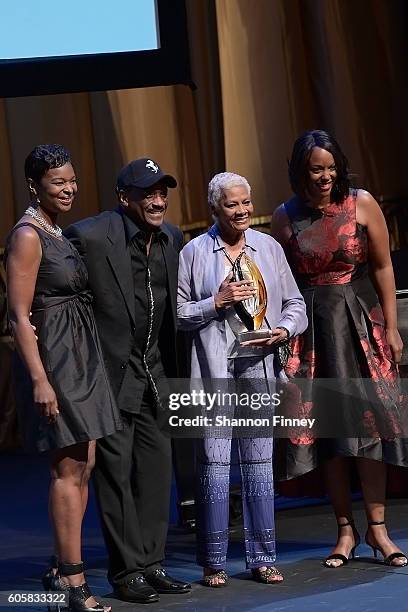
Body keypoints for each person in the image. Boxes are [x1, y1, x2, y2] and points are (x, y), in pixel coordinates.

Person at [271, 129, 408, 568]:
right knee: (329, 433)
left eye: (331, 167)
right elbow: (282, 282)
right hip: (313, 335)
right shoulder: (284, 216)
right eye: (316, 169)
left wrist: (391, 326)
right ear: (300, 171)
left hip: (359, 326)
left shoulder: (361, 203)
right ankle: (345, 531)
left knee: (368, 427)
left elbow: (384, 266)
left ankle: (379, 530)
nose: (325, 176)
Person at [64, 158, 191, 604]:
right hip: (111, 375)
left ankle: (152, 563)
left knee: (157, 472)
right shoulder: (91, 235)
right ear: (125, 198)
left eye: (162, 192)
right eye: (147, 193)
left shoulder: (172, 237)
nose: (158, 201)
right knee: (116, 477)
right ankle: (126, 571)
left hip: (155, 370)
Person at [6, 144, 122, 611]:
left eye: (72, 179)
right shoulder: (28, 235)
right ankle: (74, 585)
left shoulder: (58, 230)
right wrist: (40, 379)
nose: (70, 188)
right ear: (36, 185)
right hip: (55, 358)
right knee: (67, 468)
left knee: (85, 464)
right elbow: (17, 314)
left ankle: (62, 565)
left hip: (81, 353)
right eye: (59, 181)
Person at [177, 172, 307, 586]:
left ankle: (263, 557)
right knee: (214, 464)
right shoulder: (194, 251)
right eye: (232, 204)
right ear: (214, 208)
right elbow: (179, 314)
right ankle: (214, 562)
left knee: (258, 462)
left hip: (258, 363)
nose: (242, 211)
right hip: (214, 369)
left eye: (246, 203)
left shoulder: (267, 247)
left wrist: (284, 330)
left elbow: (295, 303)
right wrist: (215, 302)